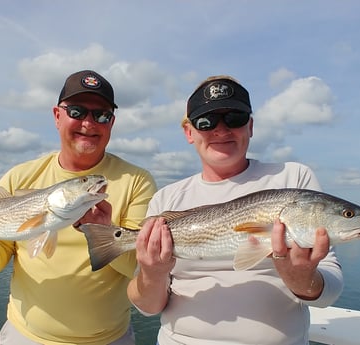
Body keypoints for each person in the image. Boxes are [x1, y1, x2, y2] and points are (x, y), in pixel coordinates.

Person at [127, 75, 343, 345]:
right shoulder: (166, 199)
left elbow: (330, 292)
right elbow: (147, 307)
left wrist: (300, 277)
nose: (221, 130)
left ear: (250, 126)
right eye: (206, 122)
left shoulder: (293, 179)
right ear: (189, 132)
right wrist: (153, 273)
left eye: (234, 118)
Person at [0, 70, 157, 345]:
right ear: (57, 116)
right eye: (77, 111)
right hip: (26, 336)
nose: (88, 123)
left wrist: (105, 233)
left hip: (109, 339)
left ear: (112, 122)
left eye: (101, 115)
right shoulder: (19, 177)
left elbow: (137, 267)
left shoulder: (137, 181)